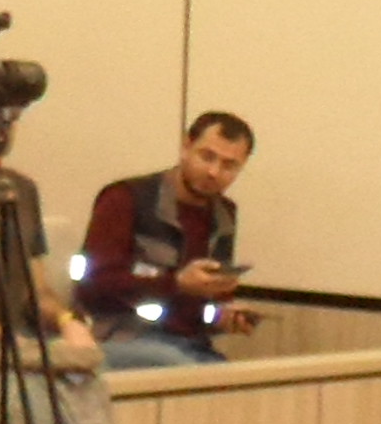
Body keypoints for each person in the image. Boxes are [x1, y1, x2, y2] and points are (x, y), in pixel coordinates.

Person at [77, 113, 262, 372]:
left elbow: (202, 310)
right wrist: (176, 283)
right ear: (186, 146)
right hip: (123, 336)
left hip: (189, 343)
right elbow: (93, 287)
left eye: (229, 166)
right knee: (190, 371)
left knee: (237, 380)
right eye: (207, 157)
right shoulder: (126, 198)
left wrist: (222, 316)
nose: (214, 172)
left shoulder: (224, 215)